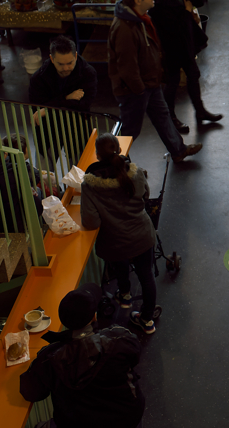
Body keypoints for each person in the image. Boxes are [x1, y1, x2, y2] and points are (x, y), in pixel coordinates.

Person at [20, 283, 145, 427]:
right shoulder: (119, 338)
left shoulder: (49, 358)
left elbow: (31, 393)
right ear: (94, 317)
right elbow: (135, 355)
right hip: (127, 419)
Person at [108, 0, 202, 163]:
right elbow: (127, 66)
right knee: (130, 130)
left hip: (149, 82)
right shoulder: (125, 28)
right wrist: (140, 89)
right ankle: (118, 164)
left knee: (162, 116)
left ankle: (178, 150)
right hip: (134, 89)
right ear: (137, 0)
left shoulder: (139, 18)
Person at [80, 133, 158, 334]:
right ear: (119, 150)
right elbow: (146, 196)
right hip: (143, 235)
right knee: (147, 276)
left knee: (120, 261)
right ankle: (147, 320)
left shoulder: (90, 185)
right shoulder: (136, 172)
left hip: (114, 242)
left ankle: (124, 294)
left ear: (97, 155)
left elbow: (91, 222)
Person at [148, 0, 222, 132]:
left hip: (185, 41)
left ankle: (200, 111)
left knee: (193, 75)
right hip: (171, 46)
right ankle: (171, 117)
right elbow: (169, 23)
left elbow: (199, 1)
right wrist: (187, 11)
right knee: (172, 81)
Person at [28, 35, 98, 166]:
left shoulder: (87, 73)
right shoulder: (38, 78)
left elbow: (83, 105)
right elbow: (37, 110)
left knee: (80, 172)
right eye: (61, 64)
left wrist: (48, 109)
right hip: (48, 129)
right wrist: (67, 98)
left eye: (70, 63)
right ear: (51, 59)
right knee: (44, 175)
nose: (66, 68)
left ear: (76, 56)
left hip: (76, 127)